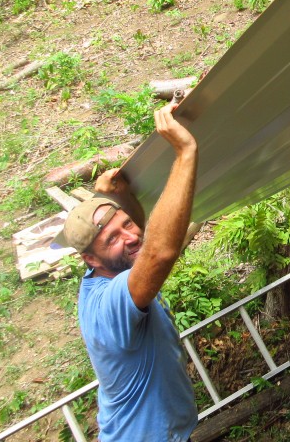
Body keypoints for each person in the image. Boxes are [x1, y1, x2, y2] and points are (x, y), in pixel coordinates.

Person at [52, 102, 199, 442]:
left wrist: (119, 198)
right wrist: (185, 151)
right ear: (91, 259)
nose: (132, 236)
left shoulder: (116, 268)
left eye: (127, 224)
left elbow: (145, 243)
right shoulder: (110, 305)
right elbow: (158, 253)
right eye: (113, 238)